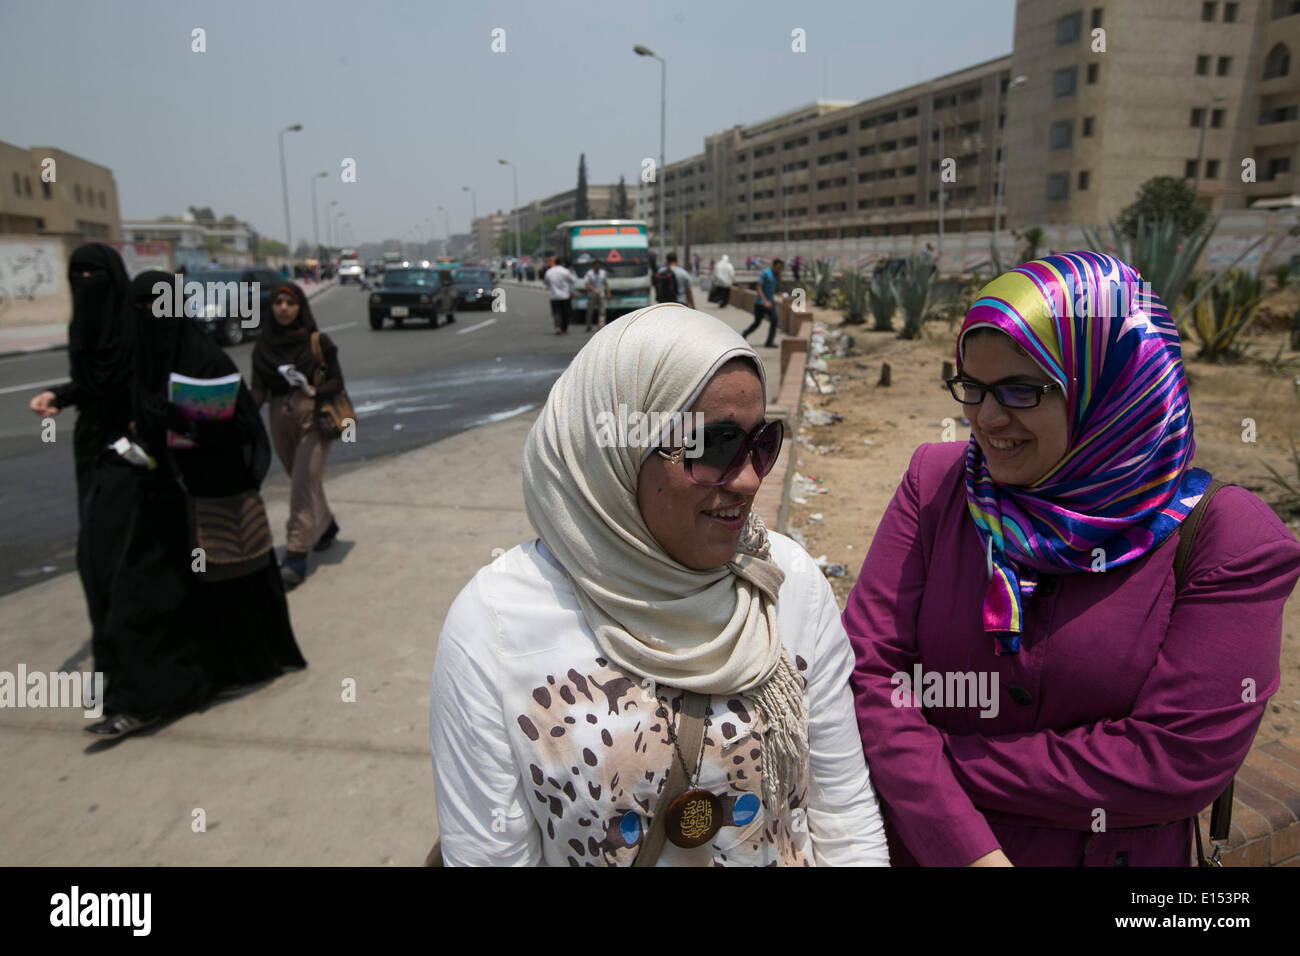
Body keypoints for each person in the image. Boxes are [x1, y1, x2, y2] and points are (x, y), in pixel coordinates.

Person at [843, 251, 1300, 867]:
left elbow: (1172, 759)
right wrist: (962, 843)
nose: (986, 418)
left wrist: (931, 764)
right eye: (971, 388)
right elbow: (870, 674)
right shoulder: (938, 485)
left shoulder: (1228, 538)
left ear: (1116, 384)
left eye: (1021, 390)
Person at [429, 304, 890, 866]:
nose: (747, 479)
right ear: (618, 453)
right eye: (712, 446)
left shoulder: (785, 584)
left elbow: (841, 816)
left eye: (760, 444)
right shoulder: (495, 626)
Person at [124, 271, 307, 705]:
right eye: (142, 308)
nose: (153, 317)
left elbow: (237, 432)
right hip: (162, 490)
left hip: (213, 493)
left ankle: (240, 666)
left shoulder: (205, 361)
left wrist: (179, 421)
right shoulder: (142, 360)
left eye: (160, 306)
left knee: (228, 586)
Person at [29, 244, 145, 724]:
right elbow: (95, 385)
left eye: (94, 274)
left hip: (134, 461)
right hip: (91, 457)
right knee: (96, 570)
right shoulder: (85, 332)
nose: (85, 283)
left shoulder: (137, 332)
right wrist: (61, 394)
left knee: (123, 570)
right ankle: (114, 681)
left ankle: (132, 693)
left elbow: (147, 387)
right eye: (77, 275)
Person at [250, 283, 343, 589]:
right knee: (302, 479)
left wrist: (314, 390)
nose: (283, 308)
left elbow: (337, 382)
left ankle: (295, 554)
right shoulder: (263, 347)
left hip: (314, 417)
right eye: (278, 302)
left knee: (302, 483)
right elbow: (259, 389)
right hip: (279, 416)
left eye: (290, 303)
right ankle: (325, 525)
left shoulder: (317, 342)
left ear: (300, 307)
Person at [741, 258, 783, 348]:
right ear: (773, 266)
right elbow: (758, 287)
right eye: (778, 268)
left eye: (781, 269)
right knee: (757, 323)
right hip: (760, 303)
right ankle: (745, 333)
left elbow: (777, 290)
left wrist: (780, 280)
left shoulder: (777, 276)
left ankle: (769, 341)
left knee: (774, 320)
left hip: (770, 303)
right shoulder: (765, 273)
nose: (779, 270)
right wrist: (764, 301)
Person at [543, 257, 576, 335]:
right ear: (561, 263)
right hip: (565, 296)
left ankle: (558, 327)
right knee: (566, 312)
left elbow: (546, 283)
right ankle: (564, 327)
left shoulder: (549, 272)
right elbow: (572, 280)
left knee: (556, 312)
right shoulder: (565, 271)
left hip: (554, 296)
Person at [583, 257, 609, 332]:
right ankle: (588, 325)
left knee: (602, 311)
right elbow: (586, 284)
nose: (598, 267)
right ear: (593, 266)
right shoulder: (589, 273)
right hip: (592, 296)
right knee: (590, 312)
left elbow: (605, 283)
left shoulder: (603, 273)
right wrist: (594, 291)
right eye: (596, 265)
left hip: (601, 295)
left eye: (599, 265)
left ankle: (601, 325)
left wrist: (608, 292)